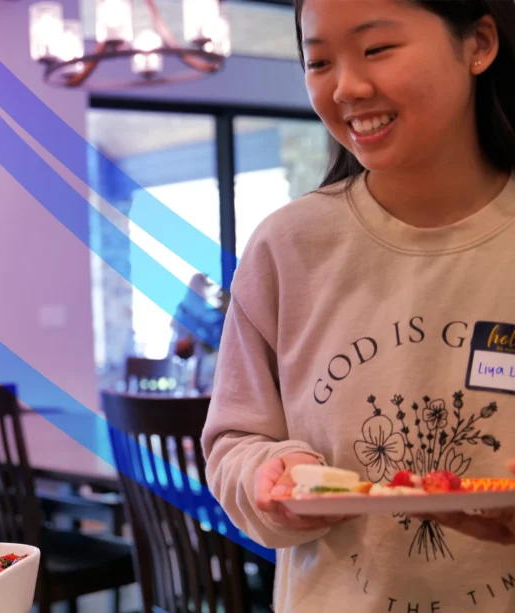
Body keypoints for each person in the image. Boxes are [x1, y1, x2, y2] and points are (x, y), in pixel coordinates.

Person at [201, 1, 515, 611]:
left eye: (376, 50)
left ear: (478, 43)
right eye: (319, 62)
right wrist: (268, 473)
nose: (346, 87)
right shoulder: (288, 247)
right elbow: (235, 438)